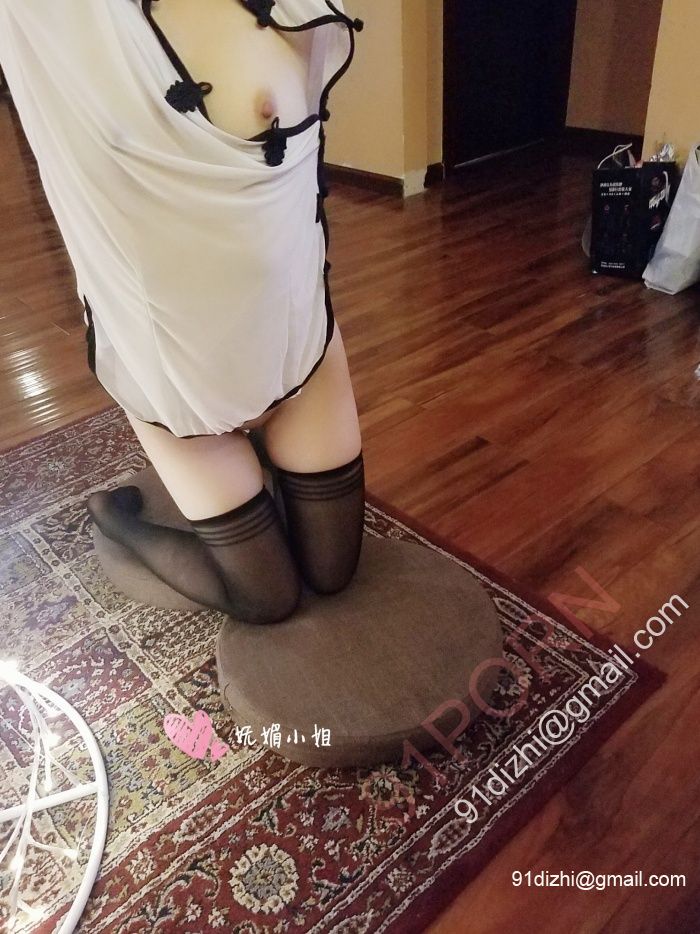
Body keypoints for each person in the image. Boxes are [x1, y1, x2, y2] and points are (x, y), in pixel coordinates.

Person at [0, 0, 366, 623]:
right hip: (175, 380)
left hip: (299, 348)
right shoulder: (48, 15)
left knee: (333, 573)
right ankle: (117, 521)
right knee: (268, 598)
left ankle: (266, 469)